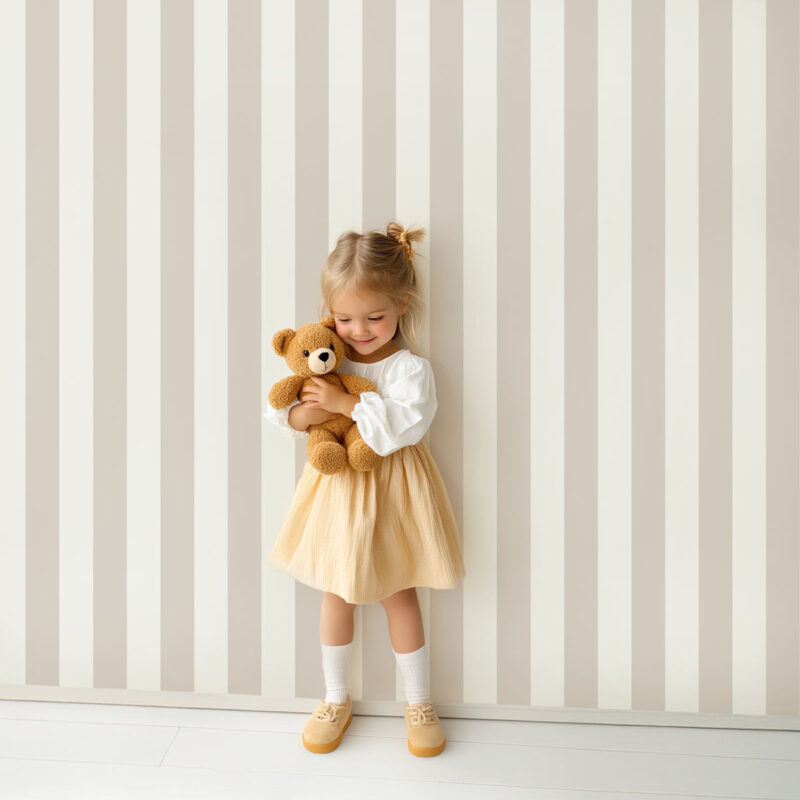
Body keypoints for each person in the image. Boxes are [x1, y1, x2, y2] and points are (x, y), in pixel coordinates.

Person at [263, 221, 466, 757]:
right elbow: (288, 414)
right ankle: (335, 697)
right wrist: (313, 410)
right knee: (336, 591)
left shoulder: (409, 369)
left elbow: (404, 426)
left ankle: (419, 702)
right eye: (345, 318)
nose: (358, 331)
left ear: (402, 304)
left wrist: (344, 403)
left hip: (395, 490)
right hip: (338, 489)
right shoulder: (329, 358)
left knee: (399, 591)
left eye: (374, 317)